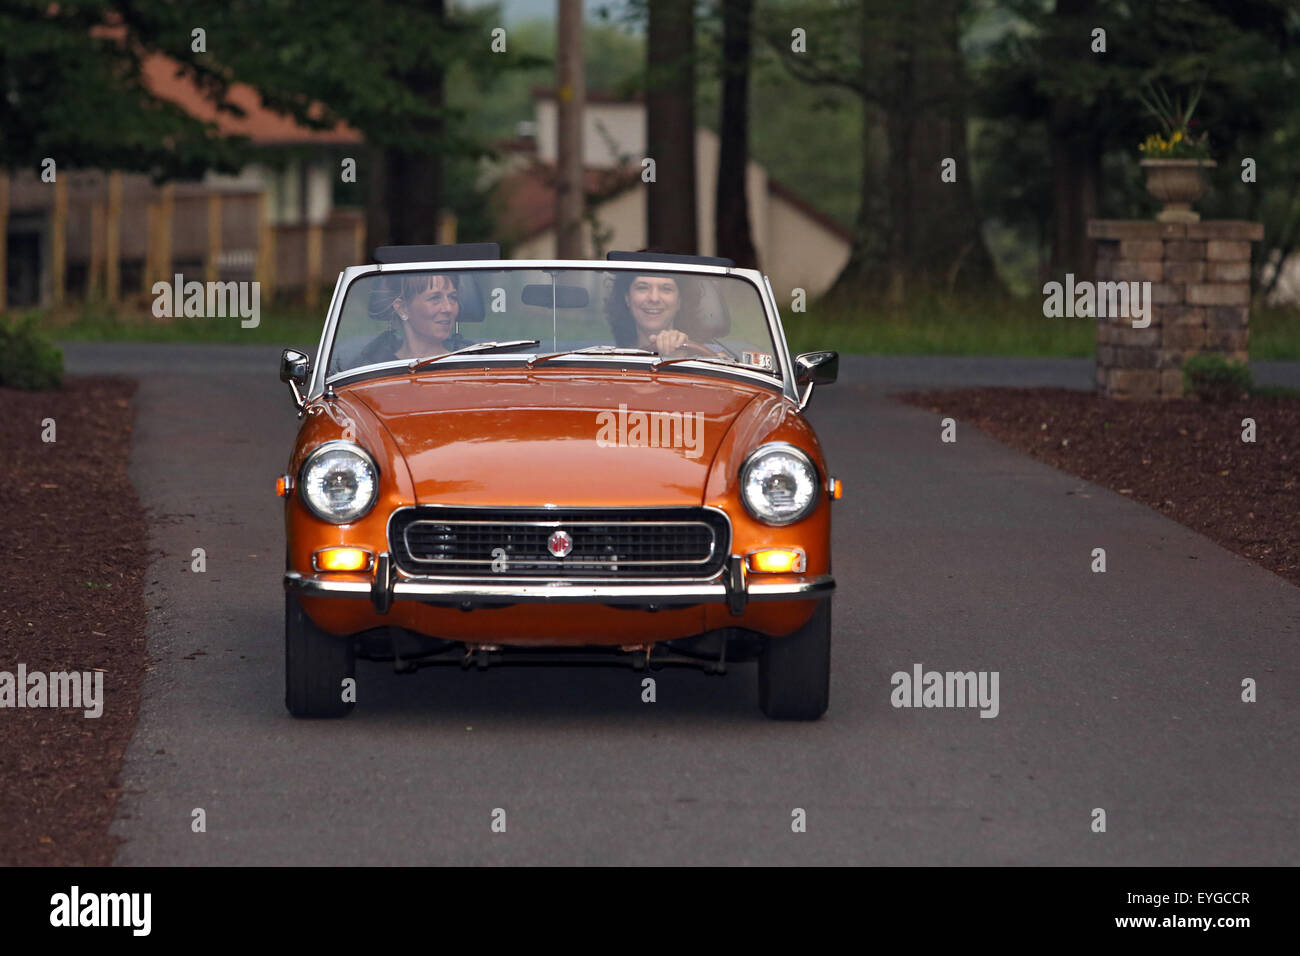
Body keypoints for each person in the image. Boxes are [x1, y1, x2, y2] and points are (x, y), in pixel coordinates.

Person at [355, 273, 473, 366]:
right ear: (403, 309)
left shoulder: (473, 364)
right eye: (435, 298)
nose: (448, 308)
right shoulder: (373, 368)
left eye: (453, 297)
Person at [605, 272, 718, 357]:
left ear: (679, 301)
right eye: (642, 288)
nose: (654, 298)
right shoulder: (604, 355)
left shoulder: (714, 356)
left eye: (666, 289)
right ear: (627, 298)